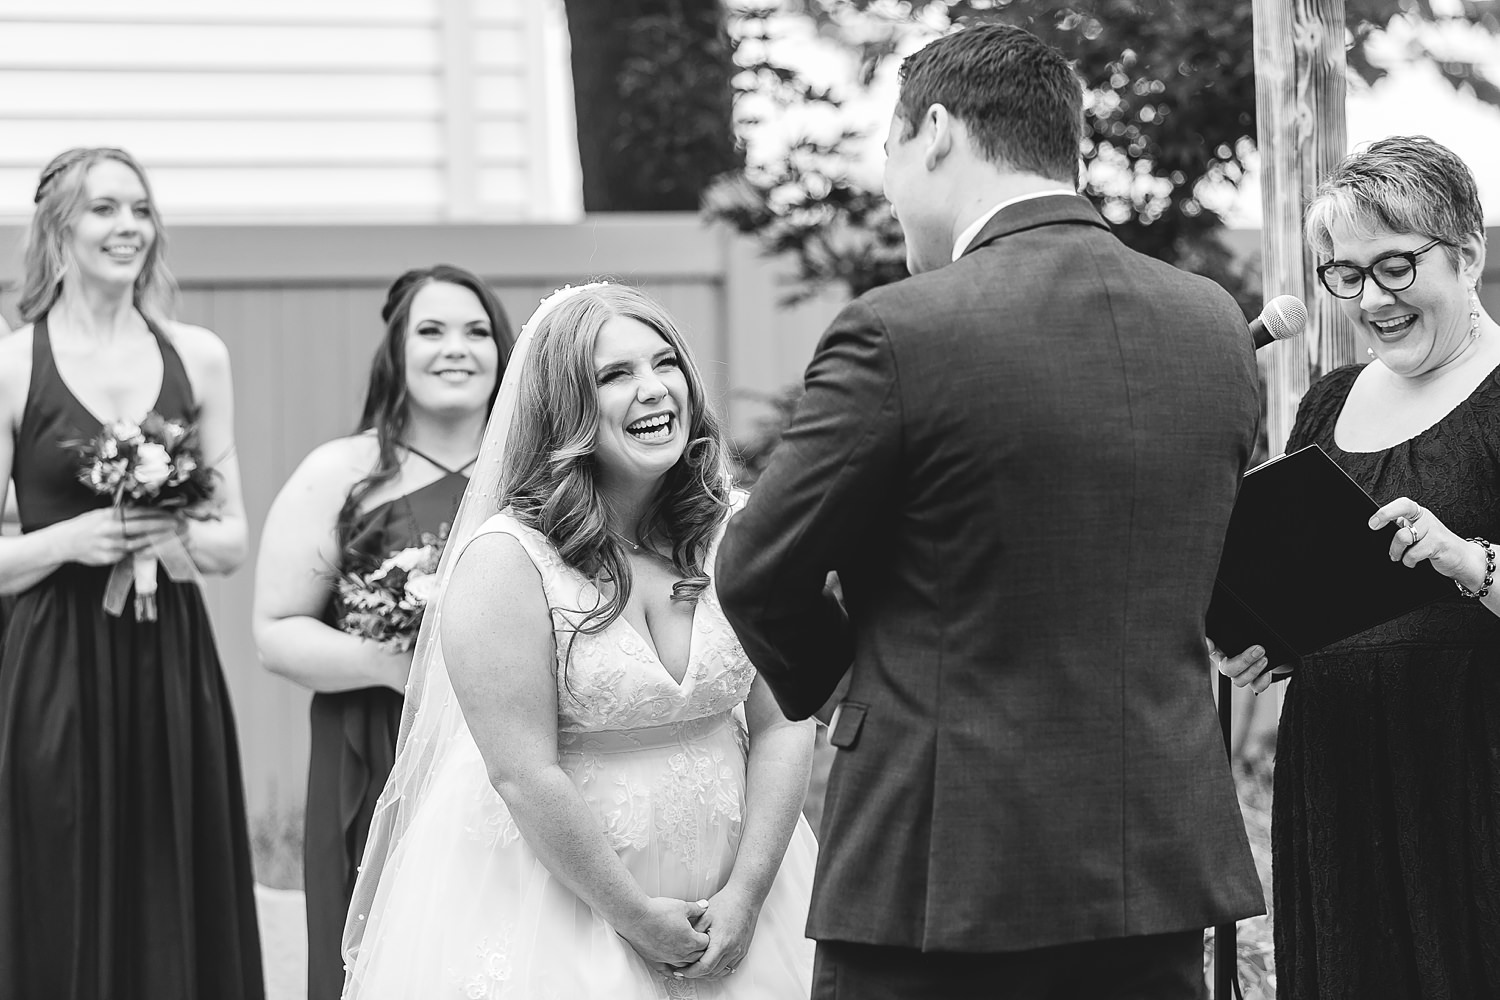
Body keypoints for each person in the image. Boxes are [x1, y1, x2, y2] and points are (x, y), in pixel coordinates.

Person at [715, 23, 1266, 1000]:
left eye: (886, 155)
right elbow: (1217, 570)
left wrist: (864, 678)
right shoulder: (1213, 324)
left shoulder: (903, 329)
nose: (889, 193)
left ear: (934, 131)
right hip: (1155, 869)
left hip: (942, 869)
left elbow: (759, 566)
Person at [341, 282, 818, 998]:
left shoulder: (738, 532)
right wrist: (632, 916)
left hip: (744, 888)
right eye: (615, 375)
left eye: (666, 364)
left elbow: (785, 725)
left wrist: (746, 896)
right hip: (561, 900)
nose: (656, 390)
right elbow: (522, 772)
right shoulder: (506, 562)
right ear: (566, 407)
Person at [1215, 136, 1500, 998]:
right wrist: (1269, 641)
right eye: (1344, 273)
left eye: (1396, 267)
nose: (1371, 298)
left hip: (1468, 774)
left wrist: (1469, 561)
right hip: (1337, 772)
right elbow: (1319, 584)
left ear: (1469, 254)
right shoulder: (1330, 400)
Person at [0, 147, 263, 997]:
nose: (128, 228)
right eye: (104, 209)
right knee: (58, 864)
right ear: (58, 227)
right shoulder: (12, 364)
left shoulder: (200, 356)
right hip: (50, 662)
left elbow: (231, 539)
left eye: (141, 210)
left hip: (170, 659)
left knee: (172, 861)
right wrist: (71, 540)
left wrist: (167, 534)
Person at [251, 264, 513, 1000]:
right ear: (396, 350)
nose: (454, 347)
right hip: (375, 747)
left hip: (511, 748)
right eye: (430, 331)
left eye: (476, 330)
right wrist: (400, 666)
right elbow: (275, 632)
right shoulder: (339, 473)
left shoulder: (541, 477)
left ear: (504, 349)